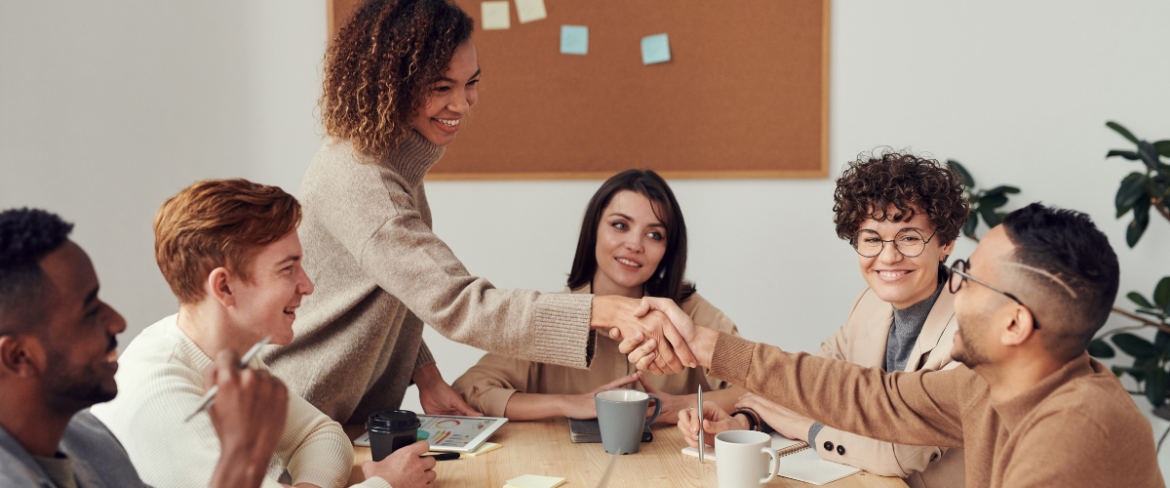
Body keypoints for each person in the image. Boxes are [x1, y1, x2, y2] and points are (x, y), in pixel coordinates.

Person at [262, 0, 692, 425]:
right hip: (302, 414)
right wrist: (599, 311)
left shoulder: (391, 163)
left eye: (471, 82)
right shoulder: (364, 181)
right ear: (393, 83)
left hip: (343, 417)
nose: (464, 104)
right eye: (442, 87)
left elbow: (398, 289)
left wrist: (425, 374)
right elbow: (459, 303)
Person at [640, 203, 1164, 487]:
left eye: (966, 277)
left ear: (1014, 325)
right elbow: (869, 395)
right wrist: (708, 346)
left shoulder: (1076, 432)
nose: (951, 287)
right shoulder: (985, 386)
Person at [90, 180, 435, 488]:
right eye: (287, 269)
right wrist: (386, 485)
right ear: (224, 287)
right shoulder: (163, 399)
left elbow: (321, 434)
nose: (308, 286)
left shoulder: (226, 353)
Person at [679, 152, 968, 487]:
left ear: (945, 243)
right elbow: (815, 385)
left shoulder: (970, 332)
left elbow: (901, 453)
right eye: (872, 239)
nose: (888, 256)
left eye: (909, 238)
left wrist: (806, 430)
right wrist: (746, 422)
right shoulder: (869, 304)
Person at [0, 208, 287, 488]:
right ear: (18, 356)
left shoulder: (91, 441)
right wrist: (243, 457)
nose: (118, 322)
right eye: (89, 312)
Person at [453, 170, 744, 422]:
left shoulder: (693, 316)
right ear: (593, 230)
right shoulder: (552, 316)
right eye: (620, 225)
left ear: (668, 250)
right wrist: (569, 403)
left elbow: (763, 390)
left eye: (654, 235)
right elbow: (470, 389)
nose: (634, 244)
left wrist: (683, 405)